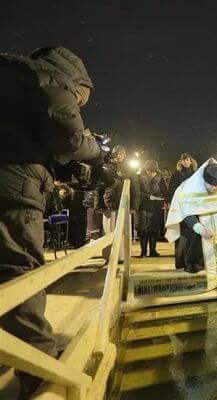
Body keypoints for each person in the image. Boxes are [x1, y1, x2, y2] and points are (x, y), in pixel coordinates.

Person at [0, 46, 101, 398]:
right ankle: (42, 374)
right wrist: (95, 151)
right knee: (20, 274)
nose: (78, 106)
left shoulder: (12, 76)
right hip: (12, 190)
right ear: (76, 82)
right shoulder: (51, 81)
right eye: (80, 101)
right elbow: (70, 139)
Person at [166, 159, 217, 284]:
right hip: (191, 216)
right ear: (204, 180)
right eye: (211, 185)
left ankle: (209, 263)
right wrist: (201, 229)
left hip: (212, 214)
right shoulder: (190, 188)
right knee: (193, 237)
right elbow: (187, 213)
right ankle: (192, 264)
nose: (215, 188)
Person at [100, 145, 134, 262]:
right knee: (108, 231)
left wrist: (134, 206)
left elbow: (135, 188)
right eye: (116, 153)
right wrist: (99, 205)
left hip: (125, 203)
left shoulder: (129, 169)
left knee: (124, 231)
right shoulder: (106, 167)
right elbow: (99, 187)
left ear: (124, 155)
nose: (118, 155)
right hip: (108, 203)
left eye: (121, 153)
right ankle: (109, 256)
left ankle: (123, 256)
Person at [133, 161, 168, 257]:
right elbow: (137, 192)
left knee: (154, 230)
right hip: (142, 206)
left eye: (153, 171)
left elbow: (164, 191)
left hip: (156, 207)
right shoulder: (139, 178)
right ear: (145, 170)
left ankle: (153, 251)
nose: (151, 173)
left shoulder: (160, 178)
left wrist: (162, 198)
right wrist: (148, 196)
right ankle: (143, 252)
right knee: (143, 230)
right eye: (149, 171)